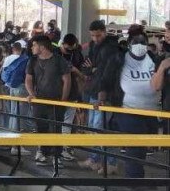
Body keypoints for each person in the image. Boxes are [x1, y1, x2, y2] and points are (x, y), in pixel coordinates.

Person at [110, 34, 169, 181]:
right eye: (136, 43)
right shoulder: (119, 60)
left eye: (143, 43)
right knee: (135, 147)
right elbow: (106, 77)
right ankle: (134, 180)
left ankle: (137, 178)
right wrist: (102, 97)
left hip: (149, 111)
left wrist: (161, 68)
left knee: (141, 148)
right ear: (129, 44)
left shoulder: (153, 59)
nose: (140, 46)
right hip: (128, 109)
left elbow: (157, 85)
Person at [78, 20, 122, 173]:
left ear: (104, 31)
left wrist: (102, 94)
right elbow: (87, 67)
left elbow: (107, 74)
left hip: (105, 94)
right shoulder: (94, 46)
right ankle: (95, 159)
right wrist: (93, 70)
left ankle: (110, 162)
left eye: (98, 35)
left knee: (101, 127)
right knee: (94, 128)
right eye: (93, 35)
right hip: (94, 91)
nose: (95, 38)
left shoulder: (111, 49)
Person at [25, 34, 72, 166]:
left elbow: (67, 79)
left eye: (34, 45)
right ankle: (42, 152)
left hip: (55, 101)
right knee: (41, 127)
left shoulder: (58, 60)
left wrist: (63, 100)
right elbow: (28, 79)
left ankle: (56, 156)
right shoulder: (32, 61)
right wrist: (32, 94)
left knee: (56, 128)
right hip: (39, 101)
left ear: (42, 46)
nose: (32, 47)